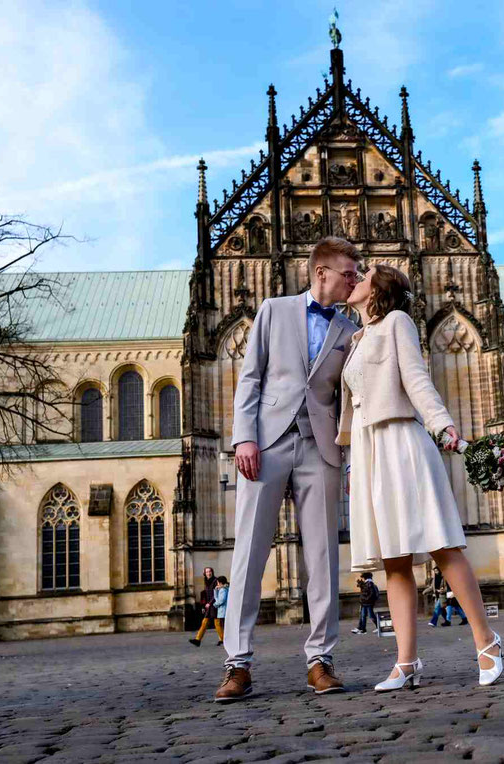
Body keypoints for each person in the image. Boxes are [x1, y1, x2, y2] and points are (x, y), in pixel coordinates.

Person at [338, 263, 502, 690]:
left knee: (442, 546)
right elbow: (355, 409)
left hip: (402, 443)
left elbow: (417, 378)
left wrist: (443, 424)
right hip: (371, 450)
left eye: (365, 273)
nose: (355, 277)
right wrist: (354, 463)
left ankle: (487, 642)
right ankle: (406, 662)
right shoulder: (357, 338)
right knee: (393, 560)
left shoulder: (398, 322)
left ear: (380, 289)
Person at [217, 237, 362, 703]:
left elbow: (347, 397)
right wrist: (244, 436)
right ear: (321, 272)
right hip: (266, 443)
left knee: (323, 556)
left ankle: (320, 660)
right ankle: (237, 664)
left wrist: (351, 457)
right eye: (348, 272)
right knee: (249, 555)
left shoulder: (349, 328)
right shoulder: (273, 309)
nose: (354, 279)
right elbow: (251, 375)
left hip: (321, 450)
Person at [189, 567, 219, 647]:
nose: (208, 573)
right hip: (208, 606)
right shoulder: (206, 581)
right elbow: (205, 594)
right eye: (207, 572)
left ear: (212, 572)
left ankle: (223, 639)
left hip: (214, 605)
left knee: (217, 623)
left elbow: (216, 594)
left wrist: (210, 603)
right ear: (205, 574)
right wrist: (203, 606)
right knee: (204, 622)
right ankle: (197, 640)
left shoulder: (215, 581)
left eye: (210, 571)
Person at [213, 576, 229, 645]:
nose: (217, 584)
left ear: (220, 582)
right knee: (224, 625)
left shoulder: (223, 590)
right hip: (225, 610)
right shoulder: (226, 588)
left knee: (223, 625)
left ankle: (224, 639)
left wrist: (215, 604)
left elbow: (220, 600)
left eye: (218, 583)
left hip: (223, 610)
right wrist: (216, 590)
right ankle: (224, 639)